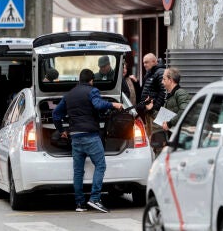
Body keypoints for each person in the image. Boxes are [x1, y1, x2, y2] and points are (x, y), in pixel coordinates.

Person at [52, 69, 123, 213]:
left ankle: (80, 204)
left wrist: (61, 131)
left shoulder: (69, 95)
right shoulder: (92, 91)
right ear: (91, 80)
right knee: (101, 165)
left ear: (79, 80)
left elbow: (56, 114)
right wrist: (113, 105)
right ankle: (95, 199)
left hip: (75, 137)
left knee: (78, 171)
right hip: (90, 136)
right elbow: (98, 105)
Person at [145, 67, 191, 153]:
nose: (162, 82)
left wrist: (170, 123)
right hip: (173, 138)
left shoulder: (180, 93)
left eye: (164, 79)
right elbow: (164, 118)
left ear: (170, 80)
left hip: (181, 139)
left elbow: (185, 111)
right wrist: (151, 109)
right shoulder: (170, 96)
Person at [139, 53, 166, 137]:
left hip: (156, 112)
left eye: (146, 62)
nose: (144, 65)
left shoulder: (160, 72)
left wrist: (154, 108)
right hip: (149, 111)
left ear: (154, 62)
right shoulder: (150, 73)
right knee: (150, 137)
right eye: (143, 63)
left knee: (157, 136)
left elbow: (164, 91)